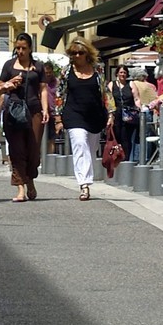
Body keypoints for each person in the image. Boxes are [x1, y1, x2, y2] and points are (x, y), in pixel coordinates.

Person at [0, 33, 54, 202]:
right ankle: (20, 187)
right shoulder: (9, 66)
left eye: (23, 48)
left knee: (33, 150)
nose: (20, 51)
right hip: (14, 111)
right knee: (17, 149)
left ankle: (31, 180)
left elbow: (43, 89)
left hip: (34, 111)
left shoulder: (38, 67)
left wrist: (45, 110)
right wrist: (9, 83)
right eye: (17, 48)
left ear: (30, 49)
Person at [60, 36, 110, 201]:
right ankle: (84, 184)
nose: (77, 56)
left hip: (94, 116)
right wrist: (57, 117)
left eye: (80, 52)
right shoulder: (66, 71)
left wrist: (111, 113)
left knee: (90, 149)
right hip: (73, 114)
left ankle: (86, 177)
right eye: (73, 53)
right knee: (80, 144)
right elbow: (60, 95)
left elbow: (106, 93)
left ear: (87, 53)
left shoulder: (98, 70)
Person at [111, 63, 139, 160]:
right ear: (117, 74)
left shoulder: (131, 84)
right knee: (117, 136)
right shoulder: (112, 84)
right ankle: (118, 158)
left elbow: (136, 99)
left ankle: (126, 159)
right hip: (116, 114)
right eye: (121, 72)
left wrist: (139, 108)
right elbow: (108, 99)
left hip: (128, 114)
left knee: (126, 138)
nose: (123, 74)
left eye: (124, 72)